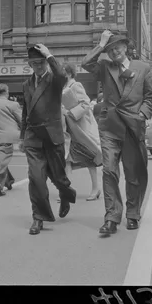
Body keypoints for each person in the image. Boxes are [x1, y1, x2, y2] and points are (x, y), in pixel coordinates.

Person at [81, 30, 152, 234]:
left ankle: (133, 214)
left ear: (126, 47)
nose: (114, 51)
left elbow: (150, 97)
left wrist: (142, 114)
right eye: (110, 49)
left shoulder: (143, 68)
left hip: (134, 126)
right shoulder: (105, 67)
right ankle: (112, 217)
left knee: (134, 174)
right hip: (110, 127)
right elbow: (86, 63)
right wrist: (100, 44)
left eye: (117, 47)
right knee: (109, 171)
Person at [19, 43, 77, 235]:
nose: (39, 66)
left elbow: (62, 75)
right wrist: (22, 136)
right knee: (36, 179)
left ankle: (66, 194)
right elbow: (26, 111)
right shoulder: (26, 85)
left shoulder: (54, 79)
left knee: (60, 178)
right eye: (34, 63)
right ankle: (38, 217)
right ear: (29, 64)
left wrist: (50, 55)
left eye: (41, 62)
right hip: (33, 138)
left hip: (52, 137)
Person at [60, 62, 102, 201]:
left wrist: (69, 113)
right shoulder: (63, 87)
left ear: (69, 73)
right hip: (68, 129)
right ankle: (67, 191)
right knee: (67, 160)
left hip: (80, 128)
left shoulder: (75, 85)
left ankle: (95, 188)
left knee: (89, 158)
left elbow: (85, 103)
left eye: (62, 71)